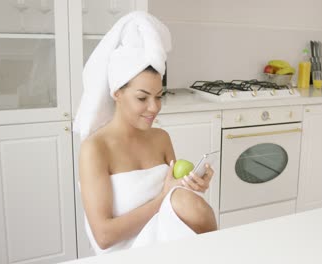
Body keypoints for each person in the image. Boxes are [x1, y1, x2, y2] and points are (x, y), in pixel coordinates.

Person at [73, 11, 217, 255]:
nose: (154, 108)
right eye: (142, 98)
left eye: (159, 97)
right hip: (126, 252)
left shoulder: (161, 138)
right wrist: (166, 197)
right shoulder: (96, 149)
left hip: (165, 239)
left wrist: (192, 186)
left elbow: (176, 199)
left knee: (190, 203)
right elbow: (104, 236)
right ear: (117, 93)